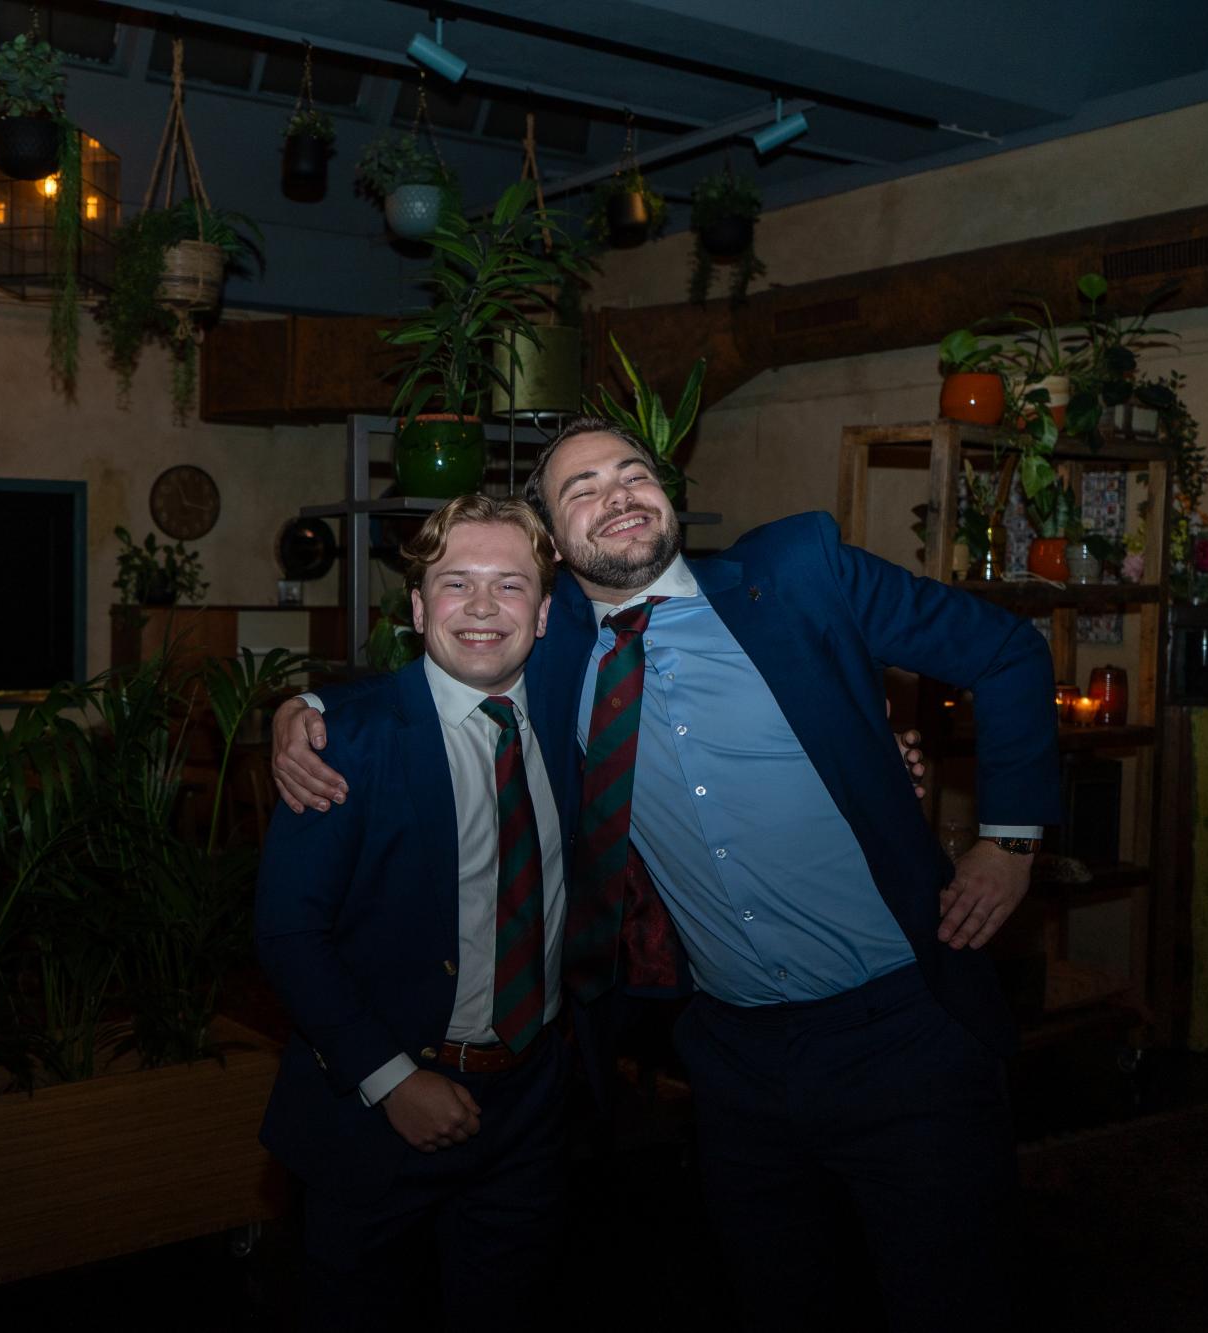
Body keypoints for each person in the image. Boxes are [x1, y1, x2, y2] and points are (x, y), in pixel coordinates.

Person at [273, 417, 1061, 1331]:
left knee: (956, 1297)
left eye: (630, 472)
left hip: (902, 1034)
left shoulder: (799, 573)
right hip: (732, 1061)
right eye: (580, 489)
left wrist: (1009, 843)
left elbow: (1005, 651)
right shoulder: (554, 643)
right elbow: (440, 664)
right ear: (554, 545)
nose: (615, 494)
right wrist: (305, 708)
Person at [257, 495, 582, 1331]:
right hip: (375, 1114)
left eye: (509, 585)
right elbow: (290, 931)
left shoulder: (570, 717)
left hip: (532, 1105)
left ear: (546, 614)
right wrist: (392, 1079)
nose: (482, 607)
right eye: (456, 583)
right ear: (416, 606)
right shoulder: (344, 739)